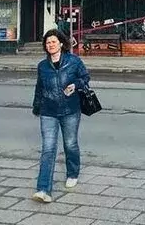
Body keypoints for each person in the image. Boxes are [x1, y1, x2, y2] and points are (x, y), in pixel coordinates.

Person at [32, 29, 91, 203]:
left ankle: (72, 173)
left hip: (70, 110)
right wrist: (37, 106)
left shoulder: (74, 61)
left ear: (61, 43)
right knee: (48, 149)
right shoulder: (42, 66)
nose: (50, 45)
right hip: (48, 111)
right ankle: (43, 189)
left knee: (70, 144)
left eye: (53, 42)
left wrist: (75, 85)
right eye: (47, 43)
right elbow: (39, 87)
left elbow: (85, 78)